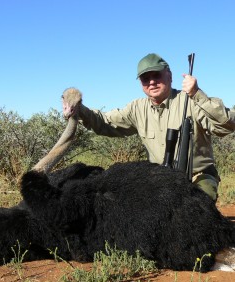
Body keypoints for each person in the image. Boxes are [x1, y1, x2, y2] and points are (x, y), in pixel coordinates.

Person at [74, 53, 235, 201]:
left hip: (197, 176)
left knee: (198, 210)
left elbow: (226, 125)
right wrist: (79, 110)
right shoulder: (137, 108)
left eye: (156, 75)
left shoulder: (191, 101)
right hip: (161, 177)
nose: (151, 82)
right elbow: (104, 122)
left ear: (169, 76)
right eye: (145, 78)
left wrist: (197, 94)